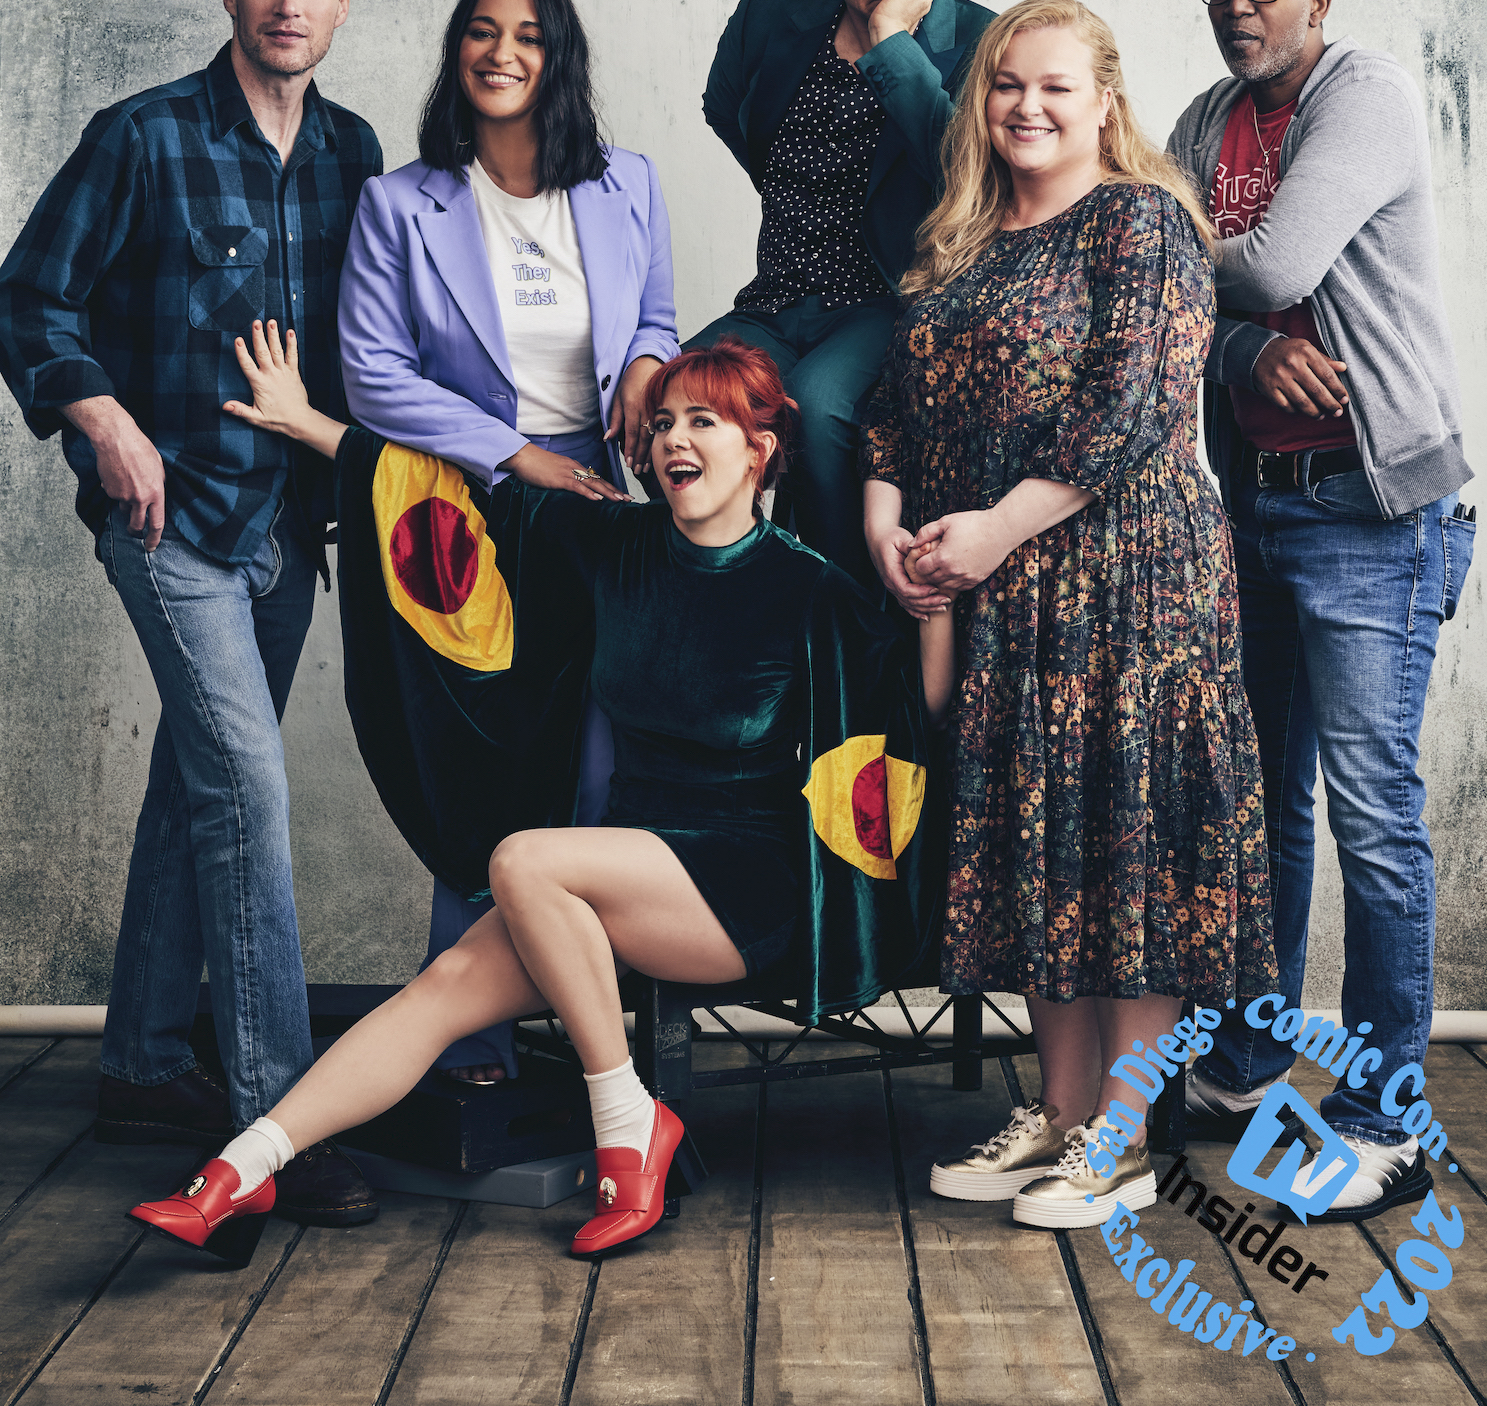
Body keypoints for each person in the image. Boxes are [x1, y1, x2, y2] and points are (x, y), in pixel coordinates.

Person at [128, 338, 931, 1263]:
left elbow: (906, 717)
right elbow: (453, 513)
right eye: (663, 420)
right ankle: (239, 1168)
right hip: (616, 874)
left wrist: (943, 596)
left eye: (703, 421)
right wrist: (309, 421)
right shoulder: (608, 542)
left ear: (759, 450)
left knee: (521, 859)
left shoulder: (811, 588)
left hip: (742, 888)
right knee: (442, 992)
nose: (674, 437)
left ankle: (628, 1127)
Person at [0, 0, 382, 1228]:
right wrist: (98, 415)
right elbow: (27, 293)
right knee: (249, 792)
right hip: (169, 525)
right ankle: (276, 1120)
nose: (290, 4)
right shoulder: (143, 137)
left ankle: (144, 1061)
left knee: (196, 782)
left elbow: (368, 348)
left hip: (288, 531)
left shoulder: (353, 152)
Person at [863, 0, 1277, 1229]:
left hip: (1135, 581)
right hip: (1009, 596)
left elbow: (1134, 406)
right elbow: (894, 409)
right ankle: (1053, 1110)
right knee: (1043, 851)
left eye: (1054, 86)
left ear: (1105, 99)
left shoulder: (1143, 221)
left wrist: (991, 528)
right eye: (1005, 85)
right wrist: (886, 524)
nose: (1027, 107)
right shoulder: (964, 242)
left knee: (1131, 849)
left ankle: (1123, 1136)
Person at [1166, 0, 1474, 1222]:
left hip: (1371, 513)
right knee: (1259, 806)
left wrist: (1191, 285)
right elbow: (1173, 308)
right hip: (1261, 506)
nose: (1241, 7)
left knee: (1373, 819)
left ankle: (1388, 1114)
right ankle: (1242, 1065)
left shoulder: (1369, 98)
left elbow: (1265, 258)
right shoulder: (1197, 124)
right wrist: (1238, 349)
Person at [337, 0, 679, 1084]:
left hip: (595, 509)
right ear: (458, 52)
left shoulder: (627, 182)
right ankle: (467, 1044)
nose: (501, 53)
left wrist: (643, 364)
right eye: (482, 32)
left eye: (527, 36)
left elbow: (660, 319)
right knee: (480, 766)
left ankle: (592, 1038)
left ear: (557, 57)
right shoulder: (402, 201)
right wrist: (518, 456)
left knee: (593, 771)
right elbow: (373, 374)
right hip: (463, 518)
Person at [695, 0, 994, 586]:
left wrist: (893, 39)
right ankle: (729, 601)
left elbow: (964, 174)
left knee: (820, 404)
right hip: (778, 295)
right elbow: (727, 105)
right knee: (682, 389)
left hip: (885, 299)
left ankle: (842, 613)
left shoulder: (980, 40)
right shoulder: (778, 8)